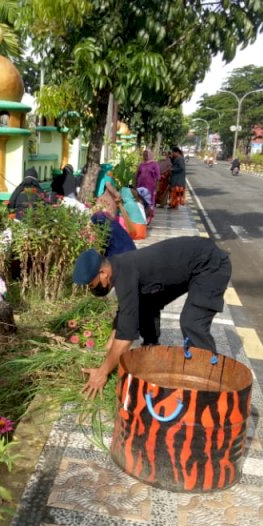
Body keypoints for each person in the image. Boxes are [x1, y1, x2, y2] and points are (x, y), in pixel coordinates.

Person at [72, 237, 231, 399]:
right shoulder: (118, 266)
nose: (93, 289)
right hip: (191, 263)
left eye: (92, 284)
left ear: (103, 274)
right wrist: (105, 351)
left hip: (210, 265)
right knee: (144, 301)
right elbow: (126, 313)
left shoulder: (125, 276)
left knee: (191, 323)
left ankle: (208, 384)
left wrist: (102, 372)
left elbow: (125, 337)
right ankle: (151, 346)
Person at [135, 149, 160, 215]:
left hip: (150, 186)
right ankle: (142, 213)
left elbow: (158, 176)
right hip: (141, 185)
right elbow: (137, 175)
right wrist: (135, 184)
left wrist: (157, 186)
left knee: (149, 199)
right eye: (144, 155)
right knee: (141, 199)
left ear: (150, 155)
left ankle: (149, 214)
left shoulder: (154, 164)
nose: (145, 156)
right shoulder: (141, 164)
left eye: (146, 154)